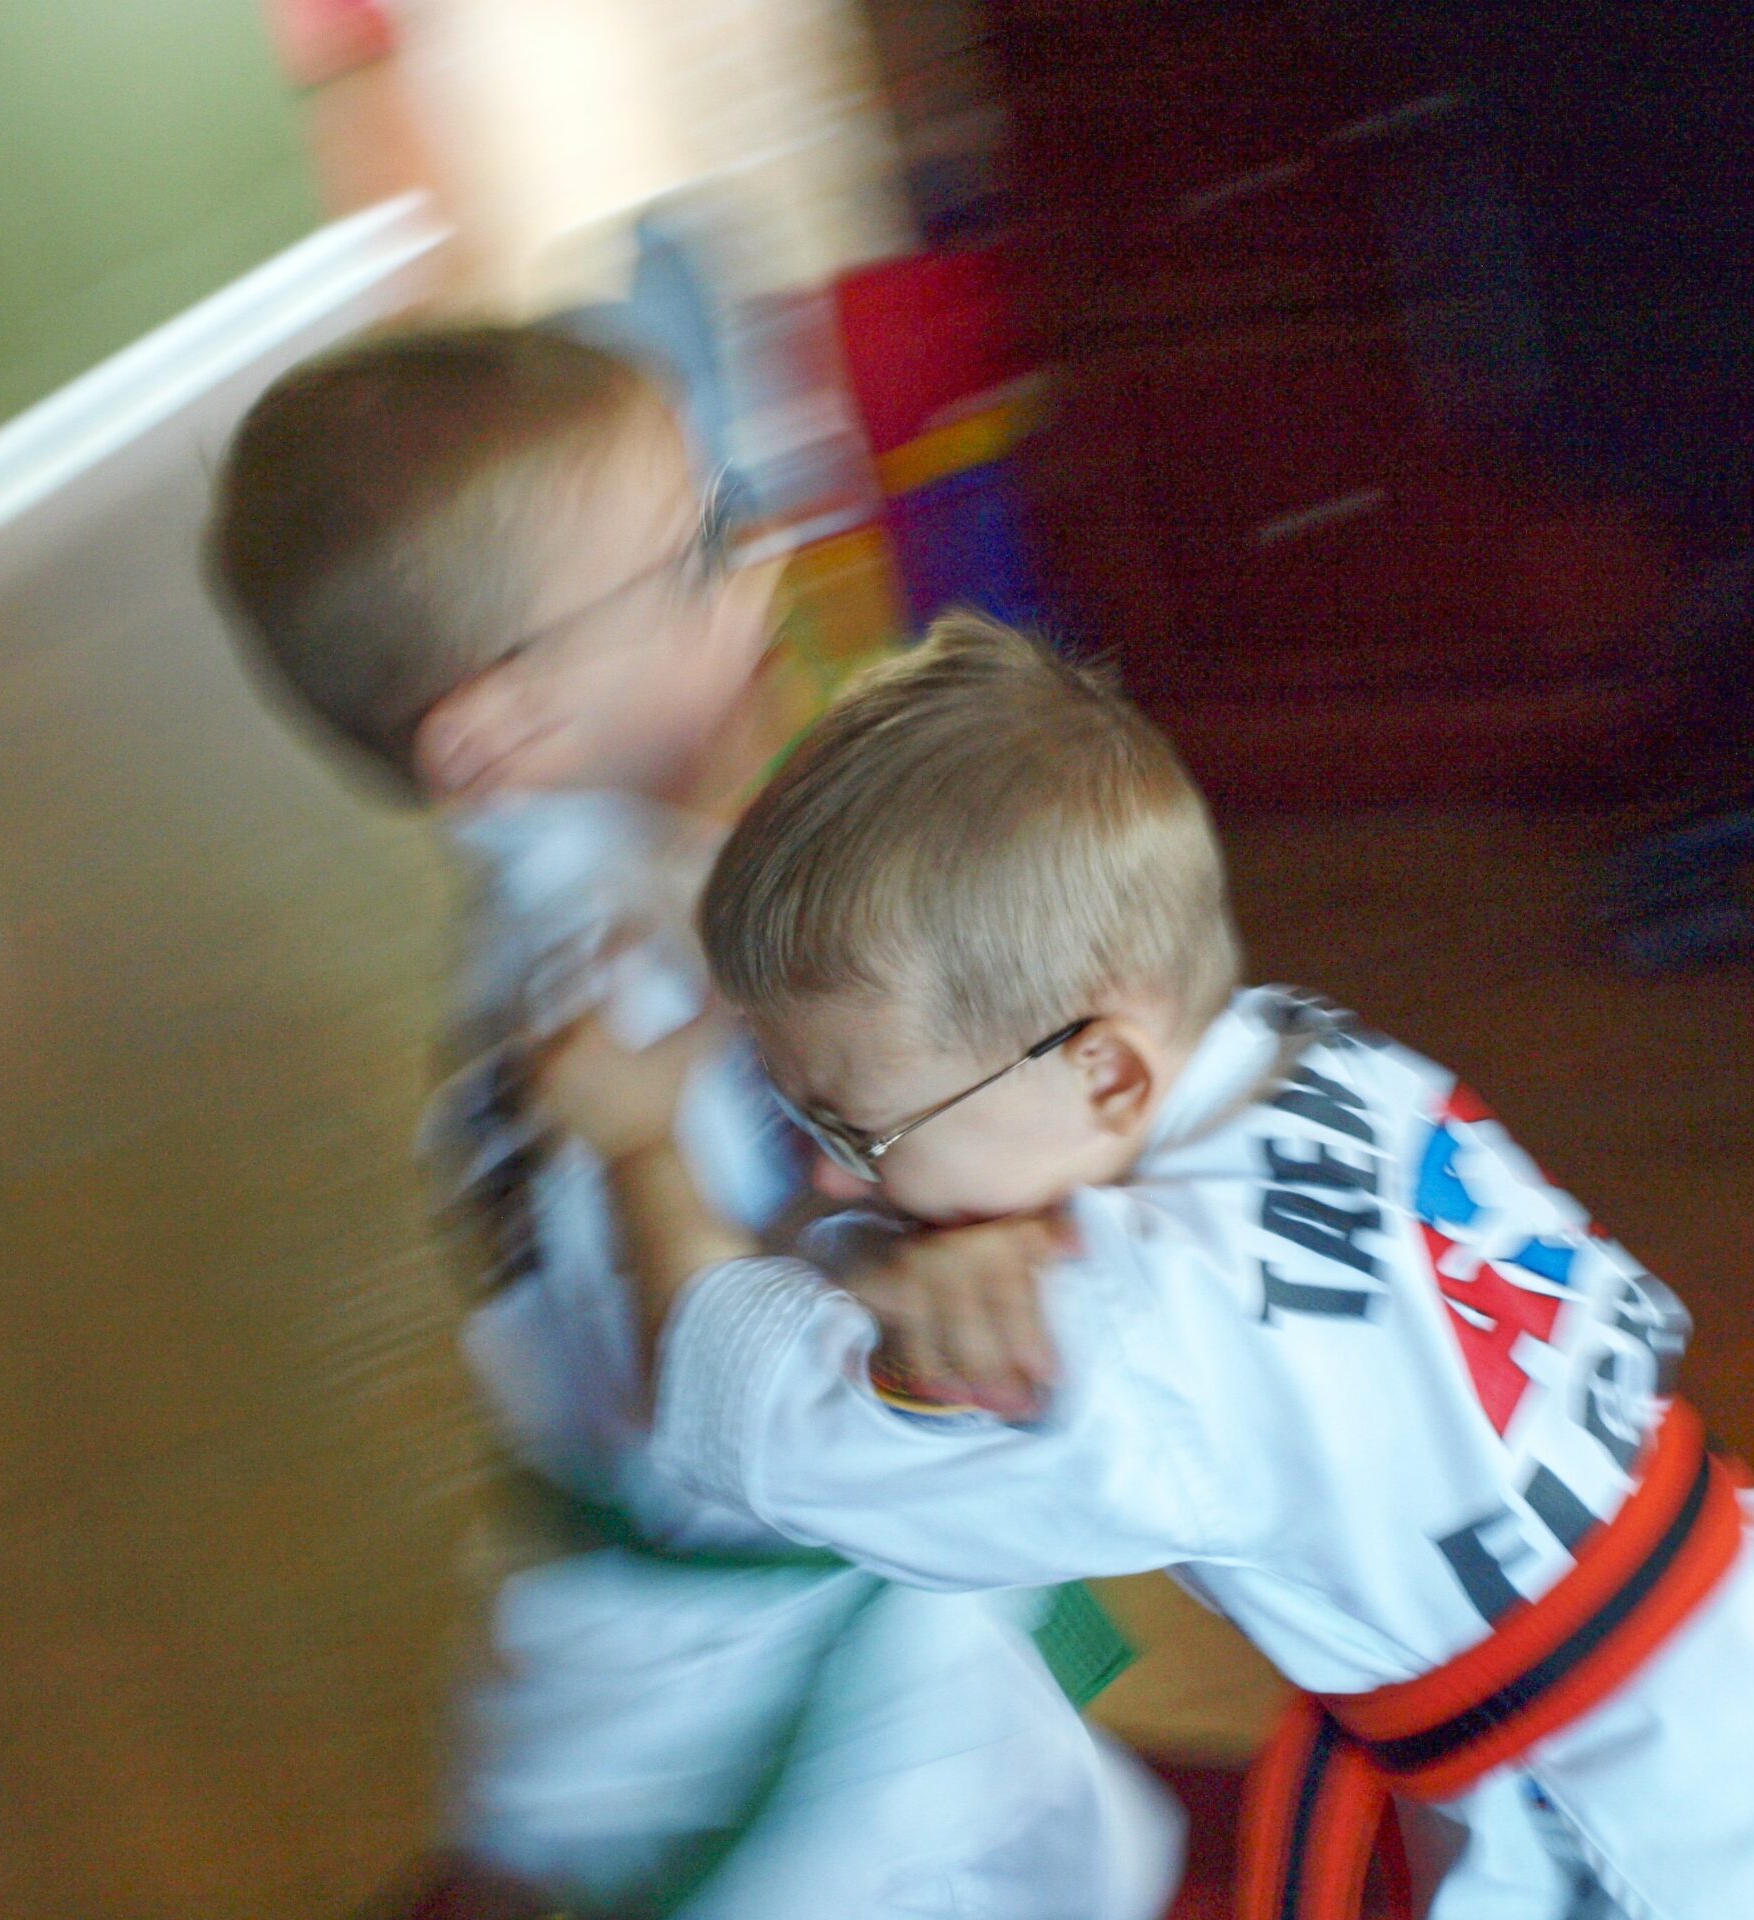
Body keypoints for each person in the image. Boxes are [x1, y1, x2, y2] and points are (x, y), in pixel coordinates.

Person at [538, 612, 1754, 1920]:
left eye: (858, 1129)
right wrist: (892, 1246)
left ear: (1107, 1072)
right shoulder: (1309, 1053)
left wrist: (637, 1149)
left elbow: (771, 1431)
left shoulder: (1128, 1340)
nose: (825, 1172)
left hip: (1657, 1830)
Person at [204, 331, 1177, 1920]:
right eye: (695, 556)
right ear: (501, 735)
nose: (761, 556)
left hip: (659, 1642)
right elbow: (723, 1378)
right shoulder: (670, 966)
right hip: (773, 1709)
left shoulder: (595, 925)